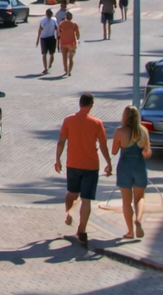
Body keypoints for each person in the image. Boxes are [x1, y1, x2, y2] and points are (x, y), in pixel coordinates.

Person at [55, 93, 112, 246]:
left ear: (79, 103)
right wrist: (109, 163)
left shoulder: (68, 120)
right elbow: (104, 145)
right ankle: (82, 230)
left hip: (72, 164)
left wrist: (57, 160)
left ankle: (68, 214)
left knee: (72, 193)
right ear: (91, 105)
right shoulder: (97, 123)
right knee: (86, 200)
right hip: (91, 166)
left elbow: (61, 142)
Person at [112, 105, 152, 240]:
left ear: (125, 116)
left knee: (126, 201)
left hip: (124, 167)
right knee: (140, 197)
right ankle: (139, 220)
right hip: (139, 166)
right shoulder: (144, 131)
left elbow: (114, 151)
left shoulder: (119, 131)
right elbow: (147, 153)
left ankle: (130, 231)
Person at [56, 11, 80, 78]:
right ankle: (69, 71)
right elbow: (78, 35)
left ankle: (66, 70)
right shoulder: (74, 25)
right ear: (71, 17)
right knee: (71, 58)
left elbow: (59, 33)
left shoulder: (61, 24)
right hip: (71, 43)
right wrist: (77, 38)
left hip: (63, 42)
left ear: (66, 17)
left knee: (64, 57)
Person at [36, 8, 59, 74]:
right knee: (44, 54)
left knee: (51, 54)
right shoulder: (43, 21)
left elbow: (56, 28)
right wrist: (38, 39)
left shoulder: (54, 20)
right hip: (44, 38)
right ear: (46, 14)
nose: (50, 15)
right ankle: (45, 68)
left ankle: (49, 65)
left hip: (51, 38)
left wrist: (58, 36)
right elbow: (40, 29)